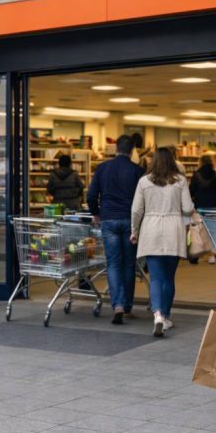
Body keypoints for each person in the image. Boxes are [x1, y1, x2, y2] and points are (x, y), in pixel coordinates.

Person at [129, 147, 197, 337]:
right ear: (172, 161)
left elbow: (136, 210)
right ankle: (165, 316)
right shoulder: (180, 181)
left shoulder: (144, 181)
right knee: (169, 278)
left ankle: (157, 314)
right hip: (173, 229)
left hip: (151, 229)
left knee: (156, 277)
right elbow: (188, 208)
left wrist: (134, 231)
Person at [87, 134, 145, 324]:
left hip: (109, 219)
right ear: (132, 151)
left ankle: (117, 304)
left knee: (112, 263)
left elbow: (91, 195)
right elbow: (143, 199)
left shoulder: (103, 168)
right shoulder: (137, 170)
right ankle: (127, 306)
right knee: (129, 263)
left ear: (116, 149)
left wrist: (96, 213)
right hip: (130, 221)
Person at [188, 153, 216, 265]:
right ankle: (212, 256)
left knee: (198, 232)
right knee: (213, 233)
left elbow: (191, 191)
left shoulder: (196, 176)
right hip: (214, 208)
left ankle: (195, 255)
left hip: (200, 208)